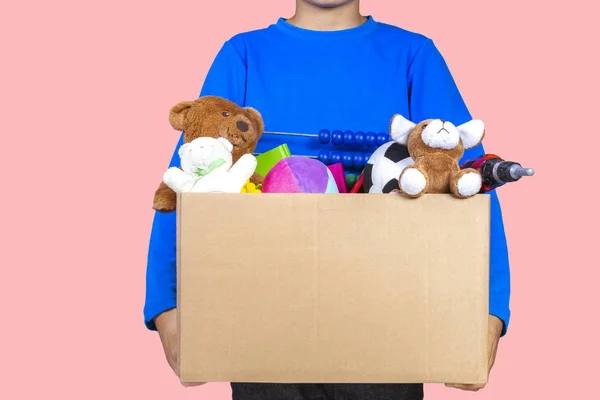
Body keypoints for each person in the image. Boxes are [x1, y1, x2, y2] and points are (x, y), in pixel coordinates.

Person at [144, 0, 511, 399]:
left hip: (386, 323)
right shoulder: (243, 54)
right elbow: (188, 179)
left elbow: (470, 183)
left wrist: (489, 311)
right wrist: (167, 306)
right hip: (263, 320)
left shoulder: (413, 55)